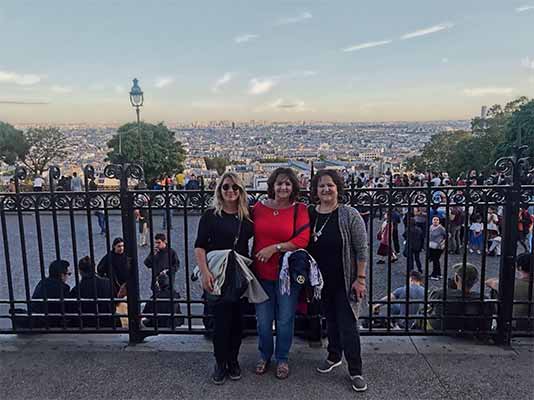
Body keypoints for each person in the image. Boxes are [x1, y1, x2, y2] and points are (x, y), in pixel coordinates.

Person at [307, 169, 368, 392]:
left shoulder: (349, 214)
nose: (325, 189)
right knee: (330, 320)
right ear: (315, 190)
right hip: (321, 281)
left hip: (345, 279)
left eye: (330, 185)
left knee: (348, 324)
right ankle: (334, 356)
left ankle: (356, 370)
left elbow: (362, 249)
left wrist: (360, 279)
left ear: (337, 189)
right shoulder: (310, 213)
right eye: (321, 186)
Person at [194, 172, 254, 384]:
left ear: (241, 190)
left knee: (238, 322)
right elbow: (199, 245)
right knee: (220, 322)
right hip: (217, 274)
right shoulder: (210, 215)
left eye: (235, 187)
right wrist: (204, 272)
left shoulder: (247, 217)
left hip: (237, 274)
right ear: (219, 190)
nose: (230, 191)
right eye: (226, 187)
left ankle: (233, 360)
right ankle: (220, 362)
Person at [252, 167, 310, 379]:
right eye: (279, 183)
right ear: (272, 186)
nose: (283, 187)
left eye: (287, 183)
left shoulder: (299, 209)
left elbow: (303, 240)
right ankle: (265, 354)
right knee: (263, 320)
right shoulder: (258, 207)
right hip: (261, 273)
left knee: (285, 319)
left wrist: (274, 248)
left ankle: (282, 357)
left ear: (293, 186)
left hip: (287, 275)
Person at [428, 263, 495, 335]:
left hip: (441, 331)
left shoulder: (440, 294)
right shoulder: (483, 299)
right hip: (471, 334)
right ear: (475, 281)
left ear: (456, 278)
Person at [486, 253, 534, 331]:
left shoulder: (511, 284)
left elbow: (488, 282)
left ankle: (499, 324)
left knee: (495, 292)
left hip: (515, 324)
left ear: (519, 267)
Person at [69, 256, 118, 328]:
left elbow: (72, 309)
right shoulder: (107, 283)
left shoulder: (77, 289)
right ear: (94, 268)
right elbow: (115, 300)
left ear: (80, 271)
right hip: (108, 321)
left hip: (87, 324)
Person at [31, 259, 72, 327]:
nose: (67, 277)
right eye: (68, 274)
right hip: (49, 323)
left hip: (35, 320)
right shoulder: (63, 288)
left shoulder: (42, 282)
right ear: (62, 274)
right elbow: (67, 309)